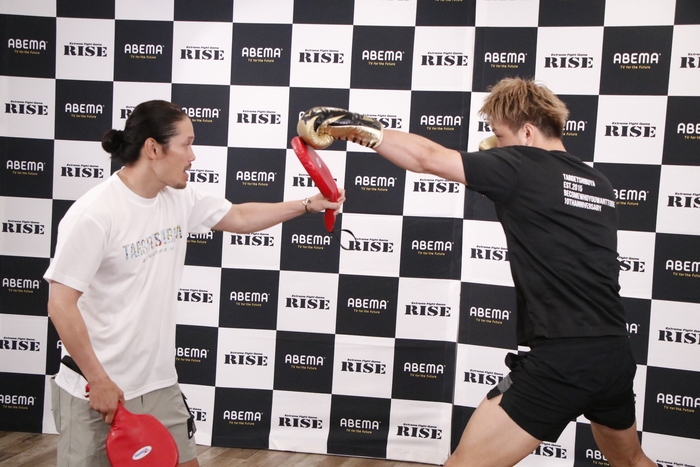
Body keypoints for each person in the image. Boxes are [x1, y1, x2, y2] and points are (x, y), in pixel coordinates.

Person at [297, 78, 654, 467]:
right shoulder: (597, 183)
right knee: (631, 461)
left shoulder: (522, 166)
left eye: (500, 135)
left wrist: (353, 125)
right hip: (613, 352)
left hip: (564, 360)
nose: (497, 144)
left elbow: (427, 158)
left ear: (528, 133)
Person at [45, 99, 344, 467]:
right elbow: (60, 304)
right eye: (186, 144)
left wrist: (308, 204)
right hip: (97, 389)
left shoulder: (179, 197)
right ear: (153, 148)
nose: (193, 156)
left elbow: (239, 216)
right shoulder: (94, 214)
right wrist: (99, 381)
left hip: (158, 384)